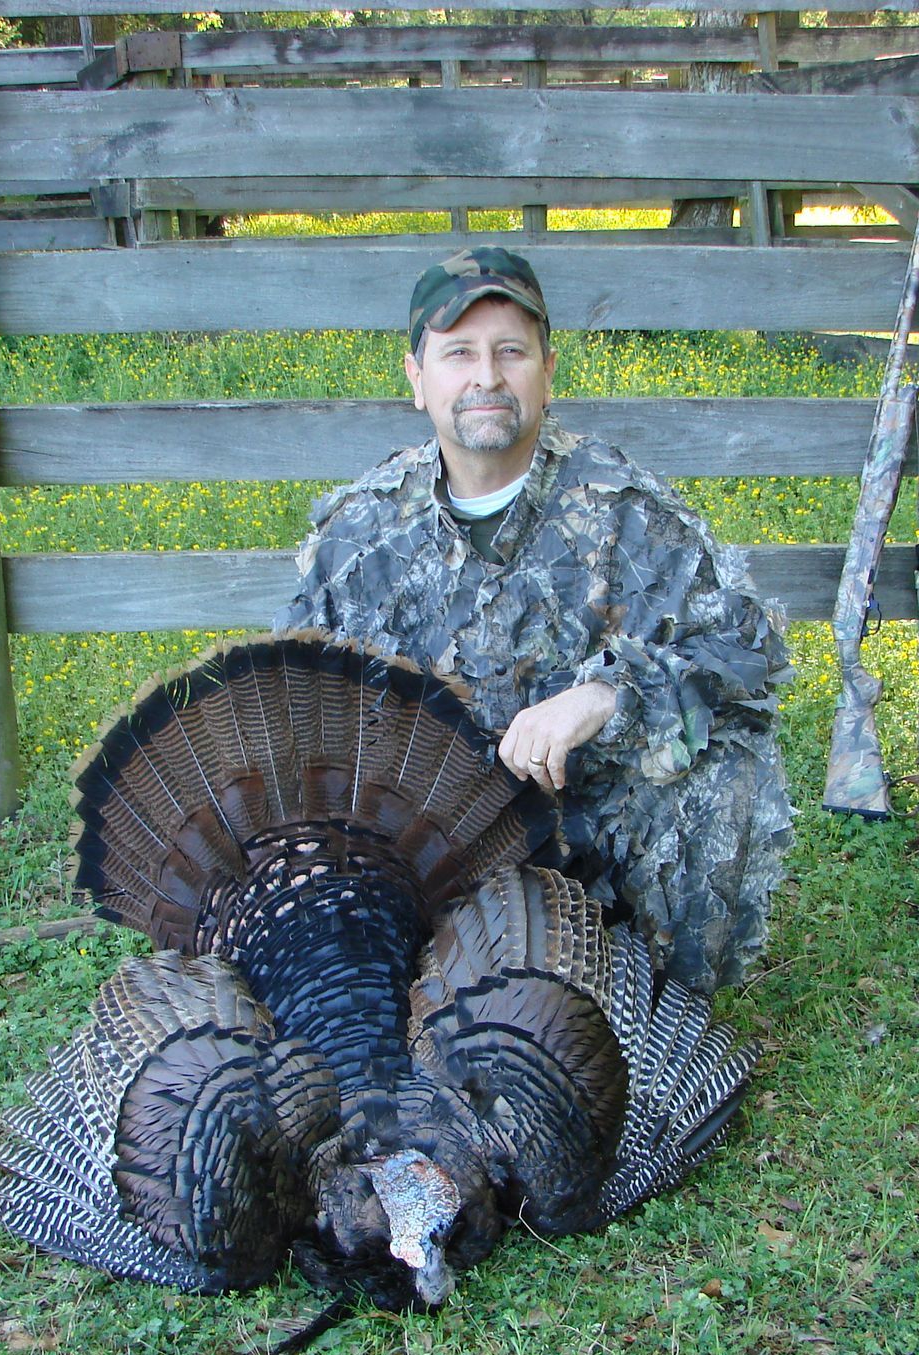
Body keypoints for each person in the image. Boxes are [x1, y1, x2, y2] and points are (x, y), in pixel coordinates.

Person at [274, 246, 793, 992]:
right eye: (458, 354)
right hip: (421, 844)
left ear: (548, 370)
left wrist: (606, 696)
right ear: (417, 378)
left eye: (510, 351)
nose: (486, 377)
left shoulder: (625, 510)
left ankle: (663, 1008)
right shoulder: (360, 533)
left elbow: (746, 648)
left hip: (583, 838)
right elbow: (293, 707)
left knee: (721, 766)